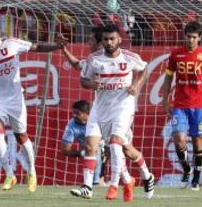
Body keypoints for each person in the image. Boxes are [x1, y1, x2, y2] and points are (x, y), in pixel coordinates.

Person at [0, 16, 67, 192]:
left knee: (21, 137)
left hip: (15, 98)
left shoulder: (12, 44)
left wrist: (57, 45)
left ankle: (32, 172)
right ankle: (9, 174)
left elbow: (37, 47)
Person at [65, 25, 154, 199]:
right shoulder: (94, 59)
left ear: (119, 39)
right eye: (106, 39)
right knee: (93, 146)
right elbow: (83, 79)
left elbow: (144, 69)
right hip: (100, 109)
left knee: (115, 144)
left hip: (123, 108)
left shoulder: (130, 58)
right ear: (102, 41)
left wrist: (136, 85)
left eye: (112, 39)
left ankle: (114, 185)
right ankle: (91, 187)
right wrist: (92, 84)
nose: (109, 42)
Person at [162, 20, 202, 191]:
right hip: (179, 104)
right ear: (184, 36)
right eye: (189, 37)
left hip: (199, 106)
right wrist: (165, 101)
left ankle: (196, 177)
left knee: (197, 141)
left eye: (194, 37)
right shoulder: (176, 54)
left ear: (199, 38)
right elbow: (168, 78)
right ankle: (186, 168)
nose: (191, 40)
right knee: (179, 139)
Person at [61, 100, 108, 186]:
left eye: (77, 113)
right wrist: (83, 153)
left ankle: (100, 183)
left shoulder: (98, 121)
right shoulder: (71, 125)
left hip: (107, 145)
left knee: (101, 151)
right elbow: (65, 150)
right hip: (94, 151)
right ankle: (98, 183)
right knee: (95, 153)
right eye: (73, 113)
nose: (74, 115)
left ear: (86, 113)